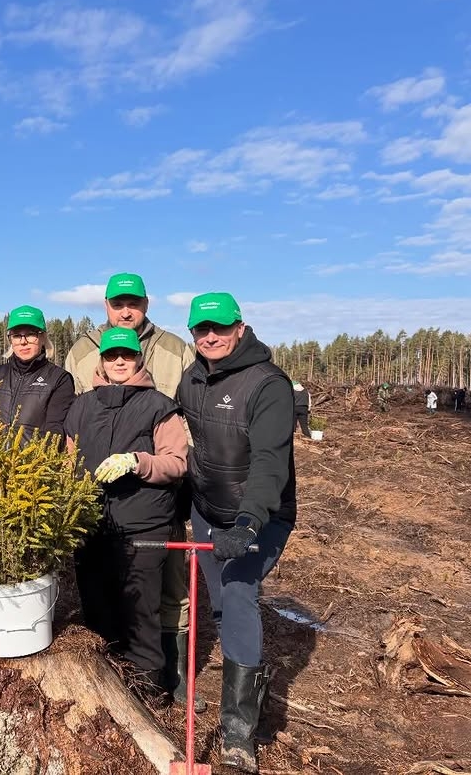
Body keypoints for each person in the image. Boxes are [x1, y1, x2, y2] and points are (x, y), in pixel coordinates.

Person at [64, 273, 200, 708]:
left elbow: (177, 462)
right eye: (112, 355)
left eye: (127, 355)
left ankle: (148, 687)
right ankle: (108, 686)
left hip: (144, 523)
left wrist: (138, 462)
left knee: (142, 609)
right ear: (100, 361)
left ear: (138, 358)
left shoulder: (159, 406)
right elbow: (68, 460)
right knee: (99, 606)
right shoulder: (82, 406)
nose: (119, 361)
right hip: (93, 524)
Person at [175, 292, 296, 773]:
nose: (211, 337)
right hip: (208, 511)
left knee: (240, 590)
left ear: (239, 328)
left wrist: (248, 523)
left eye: (220, 328)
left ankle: (238, 733)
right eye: (201, 329)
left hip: (260, 516)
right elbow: (189, 443)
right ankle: (244, 673)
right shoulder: (191, 380)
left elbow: (270, 463)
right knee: (222, 602)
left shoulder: (268, 384)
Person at [0, 305, 75, 444]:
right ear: (10, 340)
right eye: (17, 335)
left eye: (31, 334)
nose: (23, 341)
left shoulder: (59, 379)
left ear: (43, 337)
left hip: (35, 457)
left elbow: (55, 432)